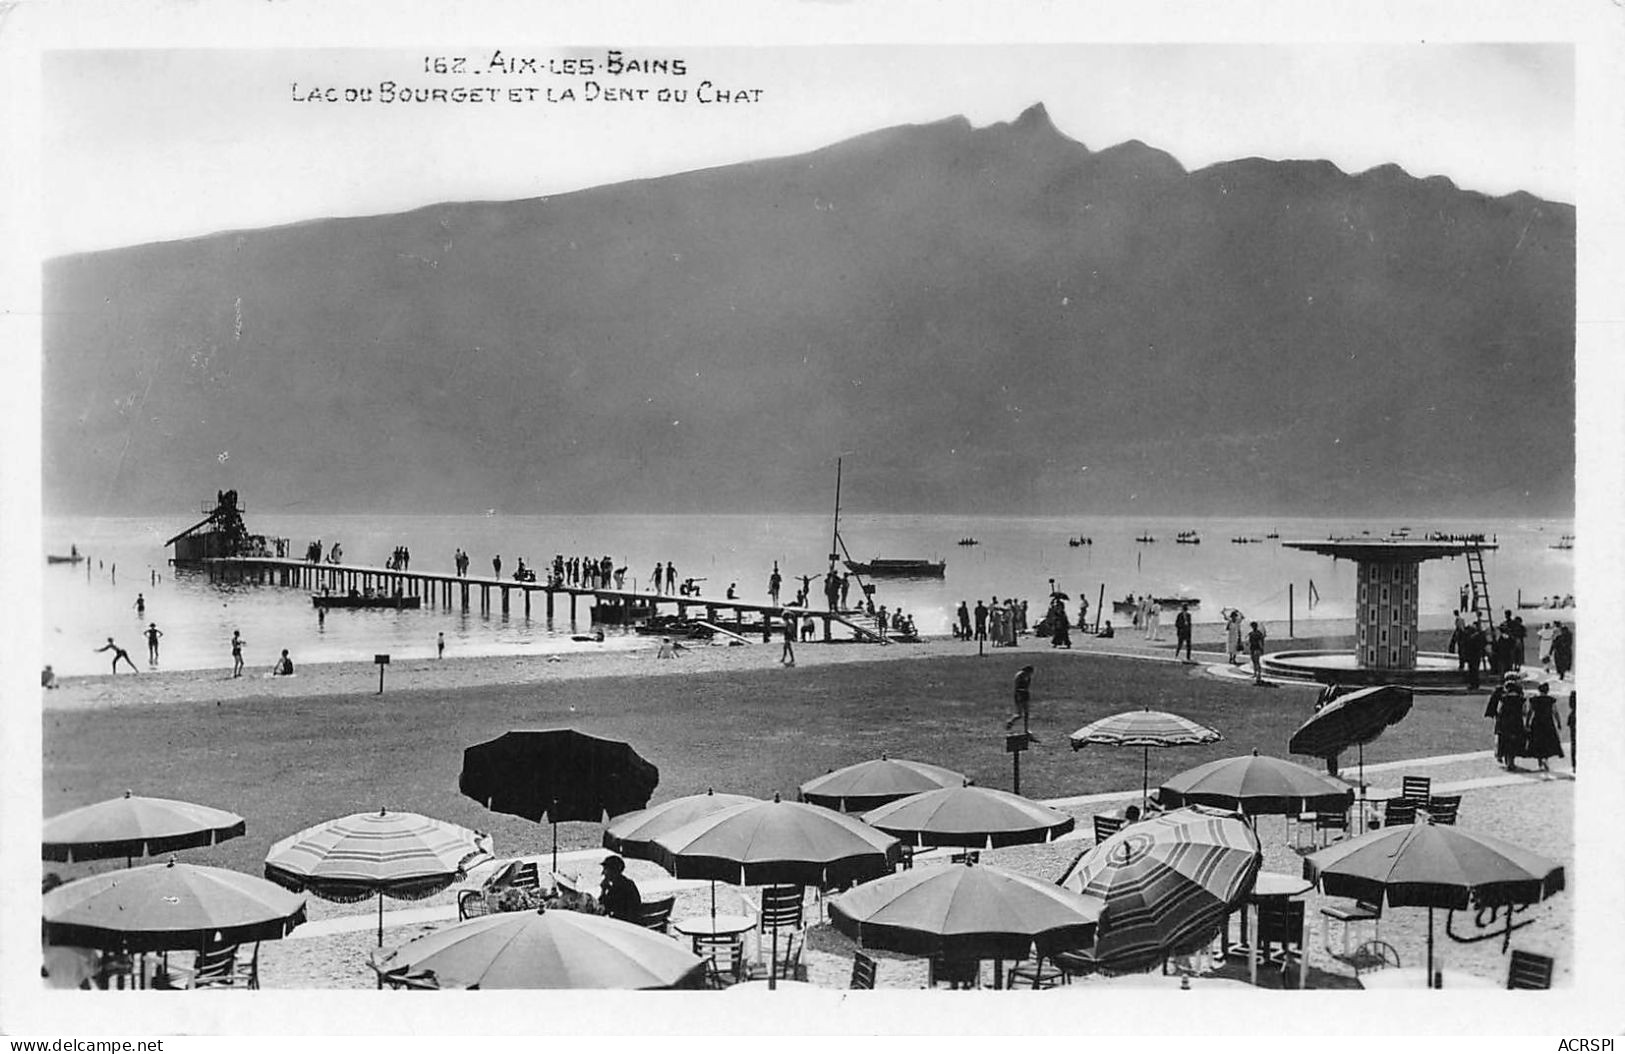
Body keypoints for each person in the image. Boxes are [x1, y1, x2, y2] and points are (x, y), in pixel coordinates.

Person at [1522, 682, 1563, 774]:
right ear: (1547, 690)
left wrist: (1527, 723)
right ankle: (1546, 759)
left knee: (1538, 742)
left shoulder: (1534, 700)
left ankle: (1540, 762)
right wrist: (1559, 722)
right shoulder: (1551, 700)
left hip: (1537, 722)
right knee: (1547, 742)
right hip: (1548, 722)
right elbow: (1555, 712)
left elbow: (1530, 712)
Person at [598, 855, 642, 924]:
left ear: (613, 871)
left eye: (605, 869)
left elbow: (603, 908)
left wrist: (603, 890)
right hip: (632, 923)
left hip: (624, 926)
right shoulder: (628, 883)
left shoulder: (618, 888)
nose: (603, 873)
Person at [1005, 665, 1034, 730]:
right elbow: (1018, 687)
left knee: (1021, 714)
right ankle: (1025, 729)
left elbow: (1027, 686)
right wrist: (1021, 693)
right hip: (1020, 695)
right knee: (1023, 713)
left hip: (1023, 695)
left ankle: (1011, 722)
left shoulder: (1026, 676)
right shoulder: (1020, 675)